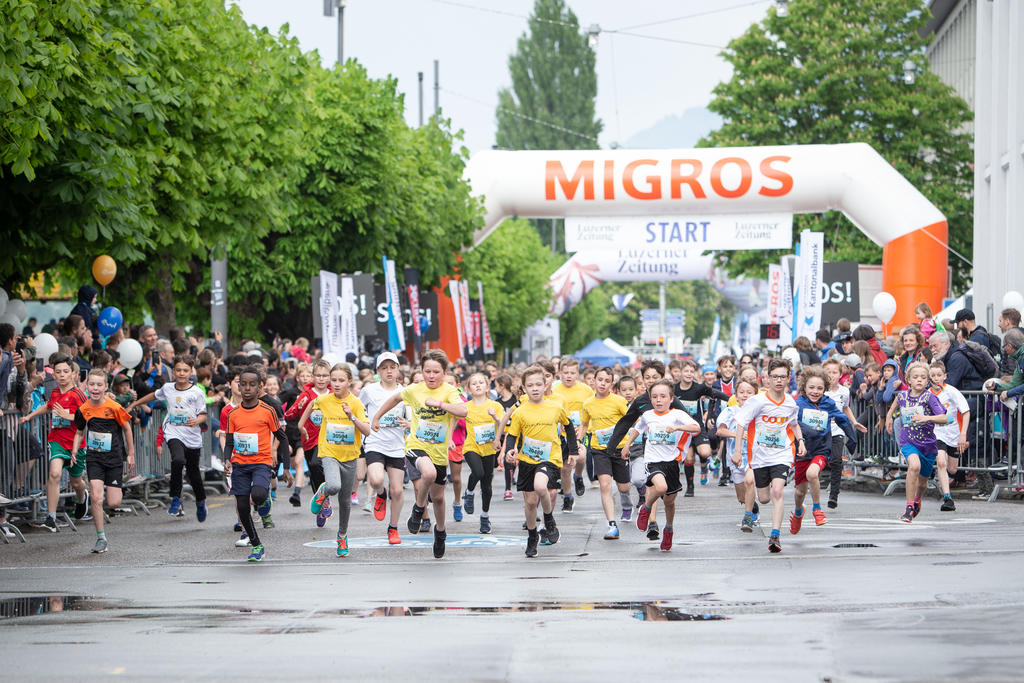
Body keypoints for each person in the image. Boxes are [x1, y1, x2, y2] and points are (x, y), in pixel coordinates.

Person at [371, 349, 467, 559]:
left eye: (436, 372)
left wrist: (439, 404)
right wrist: (377, 416)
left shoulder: (449, 391)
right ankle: (418, 508)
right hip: (416, 445)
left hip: (439, 450)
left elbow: (463, 411)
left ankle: (440, 531)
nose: (431, 376)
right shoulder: (415, 389)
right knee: (429, 474)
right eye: (427, 371)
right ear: (421, 371)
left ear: (443, 372)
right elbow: (395, 399)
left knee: (439, 497)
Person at [605, 359, 687, 542]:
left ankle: (667, 527)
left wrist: (687, 446)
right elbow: (626, 422)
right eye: (647, 378)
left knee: (669, 499)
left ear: (662, 378)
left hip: (670, 454)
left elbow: (689, 423)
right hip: (650, 452)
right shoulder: (641, 402)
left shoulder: (670, 399)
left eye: (655, 377)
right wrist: (614, 446)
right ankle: (652, 521)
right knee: (654, 486)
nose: (650, 381)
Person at [502, 365, 578, 558]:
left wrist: (573, 451)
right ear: (524, 389)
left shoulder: (555, 407)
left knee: (541, 487)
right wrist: (510, 450)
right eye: (530, 385)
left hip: (550, 458)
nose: (535, 388)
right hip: (528, 459)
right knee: (529, 502)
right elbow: (512, 435)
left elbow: (568, 427)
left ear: (546, 385)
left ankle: (549, 519)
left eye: (538, 384)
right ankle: (531, 536)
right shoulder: (520, 411)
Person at [620, 380, 700, 552]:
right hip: (652, 460)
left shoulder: (677, 414)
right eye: (655, 396)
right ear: (650, 398)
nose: (659, 400)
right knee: (661, 487)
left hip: (672, 462)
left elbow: (696, 427)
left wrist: (677, 428)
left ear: (671, 399)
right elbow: (638, 428)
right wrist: (627, 445)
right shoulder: (648, 415)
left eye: (663, 396)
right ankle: (646, 508)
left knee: (670, 503)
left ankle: (669, 530)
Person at [736, 358, 805, 553]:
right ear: (767, 378)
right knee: (764, 498)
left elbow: (793, 423)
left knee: (777, 492)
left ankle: (775, 536)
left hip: (781, 454)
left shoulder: (790, 402)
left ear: (788, 378)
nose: (779, 381)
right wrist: (737, 451)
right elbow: (741, 422)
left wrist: (801, 441)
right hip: (760, 456)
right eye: (775, 377)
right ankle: (757, 508)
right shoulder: (757, 401)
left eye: (783, 377)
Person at [127, 355, 208, 522]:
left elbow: (203, 415)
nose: (181, 373)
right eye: (178, 370)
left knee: (194, 475)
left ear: (191, 371)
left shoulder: (197, 392)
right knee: (177, 460)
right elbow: (153, 396)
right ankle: (176, 497)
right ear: (174, 372)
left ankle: (200, 501)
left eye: (185, 370)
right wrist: (135, 404)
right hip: (173, 432)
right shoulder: (168, 388)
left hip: (192, 437)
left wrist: (196, 421)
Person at [302, 364, 369, 557]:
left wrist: (352, 417)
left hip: (349, 456)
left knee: (345, 501)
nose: (336, 384)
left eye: (341, 380)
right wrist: (301, 425)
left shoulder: (355, 403)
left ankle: (342, 535)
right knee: (333, 486)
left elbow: (367, 431)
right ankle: (323, 491)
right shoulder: (324, 399)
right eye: (334, 380)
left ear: (349, 381)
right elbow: (310, 405)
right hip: (329, 452)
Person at [17, 355, 90, 532]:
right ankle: (51, 518)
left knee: (76, 482)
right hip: (56, 439)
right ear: (54, 375)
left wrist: (69, 417)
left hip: (76, 443)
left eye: (66, 371)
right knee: (54, 474)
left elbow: (89, 416)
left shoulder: (79, 394)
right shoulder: (56, 392)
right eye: (58, 372)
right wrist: (30, 416)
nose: (62, 375)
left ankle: (82, 498)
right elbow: (49, 406)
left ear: (73, 374)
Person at [224, 366, 285, 561]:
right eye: (244, 384)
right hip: (240, 464)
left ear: (260, 387)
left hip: (261, 463)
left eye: (252, 384)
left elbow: (281, 437)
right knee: (242, 507)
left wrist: (288, 469)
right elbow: (230, 441)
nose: (247, 388)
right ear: (238, 387)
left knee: (257, 496)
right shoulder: (233, 414)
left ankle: (264, 497)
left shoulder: (267, 410)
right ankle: (257, 545)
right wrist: (227, 459)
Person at [71, 369, 135, 554]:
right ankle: (101, 538)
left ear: (106, 387)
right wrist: (75, 449)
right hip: (94, 458)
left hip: (114, 458)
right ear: (87, 386)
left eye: (99, 385)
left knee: (114, 503)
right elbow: (79, 432)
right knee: (97, 498)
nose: (95, 388)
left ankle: (107, 495)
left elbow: (127, 430)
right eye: (92, 384)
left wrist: (130, 454)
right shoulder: (83, 409)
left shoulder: (114, 407)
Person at [791, 366, 858, 534]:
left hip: (821, 448)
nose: (815, 391)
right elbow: (791, 424)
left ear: (825, 389)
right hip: (803, 450)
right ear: (804, 387)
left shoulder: (828, 403)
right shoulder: (797, 403)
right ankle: (798, 513)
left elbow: (842, 419)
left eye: (820, 388)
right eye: (811, 387)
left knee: (812, 474)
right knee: (800, 492)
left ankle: (817, 510)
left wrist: (852, 438)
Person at [885, 362, 947, 523]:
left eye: (923, 377)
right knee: (914, 466)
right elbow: (893, 406)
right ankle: (909, 507)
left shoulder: (930, 397)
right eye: (915, 377)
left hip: (928, 445)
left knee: (923, 482)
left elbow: (944, 417)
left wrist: (926, 417)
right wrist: (888, 418)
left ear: (928, 381)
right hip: (908, 441)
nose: (919, 380)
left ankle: (917, 500)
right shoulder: (903, 395)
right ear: (908, 380)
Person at [358, 352, 406, 544]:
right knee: (377, 479)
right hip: (375, 442)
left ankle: (393, 529)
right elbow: (358, 408)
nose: (388, 371)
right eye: (384, 368)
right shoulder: (369, 390)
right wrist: (364, 429)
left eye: (392, 367)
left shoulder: (404, 391)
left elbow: (412, 417)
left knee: (398, 492)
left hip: (396, 446)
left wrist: (408, 423)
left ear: (398, 369)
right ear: (378, 370)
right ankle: (380, 494)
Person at [579, 366, 631, 539]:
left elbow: (632, 420)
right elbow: (585, 425)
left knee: (624, 487)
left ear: (612, 384)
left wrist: (629, 443)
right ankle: (612, 525)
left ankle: (626, 501)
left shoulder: (619, 401)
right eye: (600, 380)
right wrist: (578, 442)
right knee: (605, 485)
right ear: (593, 380)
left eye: (607, 381)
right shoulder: (588, 403)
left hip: (619, 449)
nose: (602, 384)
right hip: (599, 449)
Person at [284, 359, 331, 527]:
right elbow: (289, 415)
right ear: (312, 376)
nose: (321, 379)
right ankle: (321, 504)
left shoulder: (334, 393)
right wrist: (298, 407)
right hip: (309, 439)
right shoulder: (305, 394)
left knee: (316, 463)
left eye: (325, 375)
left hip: (329, 439)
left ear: (329, 377)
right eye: (317, 375)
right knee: (314, 469)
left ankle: (325, 499)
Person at [673, 358, 730, 494]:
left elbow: (715, 394)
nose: (688, 374)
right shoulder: (673, 389)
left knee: (705, 452)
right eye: (686, 371)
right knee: (689, 458)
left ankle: (704, 467)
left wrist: (732, 399)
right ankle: (690, 487)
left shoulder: (699, 388)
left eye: (691, 371)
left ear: (695, 374)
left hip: (698, 427)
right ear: (680, 372)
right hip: (682, 430)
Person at [460, 372, 504, 534]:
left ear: (487, 387)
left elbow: (504, 427)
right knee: (477, 472)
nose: (478, 385)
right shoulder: (466, 407)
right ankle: (469, 492)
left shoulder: (495, 406)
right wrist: (450, 437)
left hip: (489, 449)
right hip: (471, 447)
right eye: (474, 383)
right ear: (469, 389)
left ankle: (485, 517)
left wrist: (496, 418)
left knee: (487, 486)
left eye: (481, 382)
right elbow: (452, 418)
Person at [822, 357, 866, 508]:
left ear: (841, 375)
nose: (832, 375)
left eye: (835, 372)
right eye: (828, 372)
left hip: (837, 430)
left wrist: (854, 422)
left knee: (836, 461)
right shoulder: (819, 390)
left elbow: (845, 408)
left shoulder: (844, 391)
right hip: (820, 431)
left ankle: (833, 495)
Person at [552, 357, 595, 502]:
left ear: (578, 374)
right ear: (560, 373)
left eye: (572, 373)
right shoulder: (554, 391)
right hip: (562, 434)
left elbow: (592, 409)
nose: (569, 376)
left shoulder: (586, 390)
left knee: (581, 456)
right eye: (565, 372)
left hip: (581, 431)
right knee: (565, 468)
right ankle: (568, 498)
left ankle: (578, 476)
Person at [929, 361, 970, 512]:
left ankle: (946, 473)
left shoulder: (951, 391)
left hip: (954, 433)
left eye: (939, 375)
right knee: (941, 462)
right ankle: (947, 498)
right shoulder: (927, 394)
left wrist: (962, 434)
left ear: (944, 376)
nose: (936, 378)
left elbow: (966, 412)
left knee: (952, 469)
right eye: (933, 375)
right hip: (937, 433)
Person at [715, 379, 757, 521]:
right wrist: (738, 435)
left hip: (753, 458)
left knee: (749, 482)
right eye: (741, 392)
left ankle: (749, 516)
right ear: (736, 395)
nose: (745, 395)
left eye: (749, 392)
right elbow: (720, 431)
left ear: (755, 395)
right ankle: (752, 505)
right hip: (735, 458)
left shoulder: (759, 412)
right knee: (741, 497)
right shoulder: (729, 411)